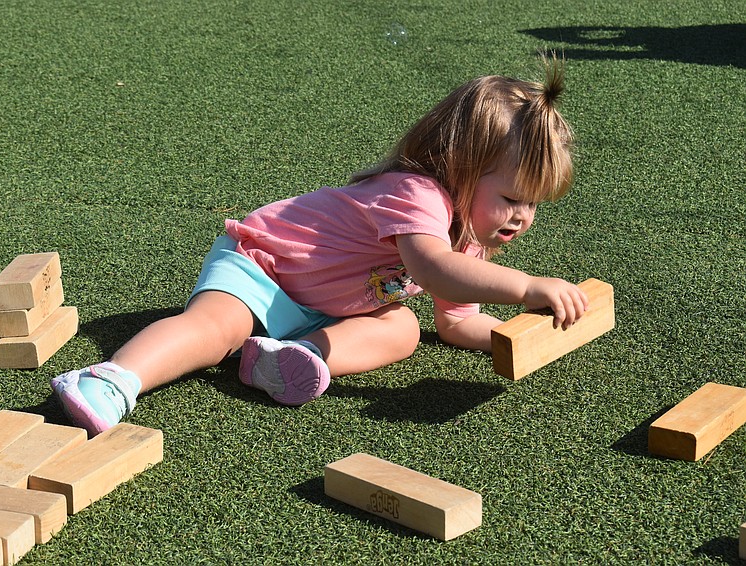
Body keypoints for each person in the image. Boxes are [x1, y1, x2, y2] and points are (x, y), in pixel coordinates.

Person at [51, 57, 589, 437]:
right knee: (216, 331)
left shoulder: (468, 243)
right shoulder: (417, 194)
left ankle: (291, 360)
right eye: (513, 197)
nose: (522, 216)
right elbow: (436, 270)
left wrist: (524, 335)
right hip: (263, 271)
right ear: (463, 167)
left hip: (321, 311)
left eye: (534, 205)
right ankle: (114, 380)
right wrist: (526, 288)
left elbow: (454, 323)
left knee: (401, 327)